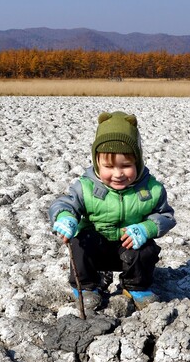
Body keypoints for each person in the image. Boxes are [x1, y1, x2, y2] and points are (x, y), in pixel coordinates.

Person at [49, 111, 175, 311]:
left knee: (146, 249)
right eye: (109, 166)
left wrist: (147, 228)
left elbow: (166, 216)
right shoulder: (86, 187)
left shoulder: (151, 189)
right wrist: (65, 217)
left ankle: (135, 286)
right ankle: (87, 287)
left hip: (127, 247)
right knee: (78, 242)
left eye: (126, 166)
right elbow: (66, 203)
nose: (118, 174)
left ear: (138, 162)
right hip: (95, 247)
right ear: (97, 163)